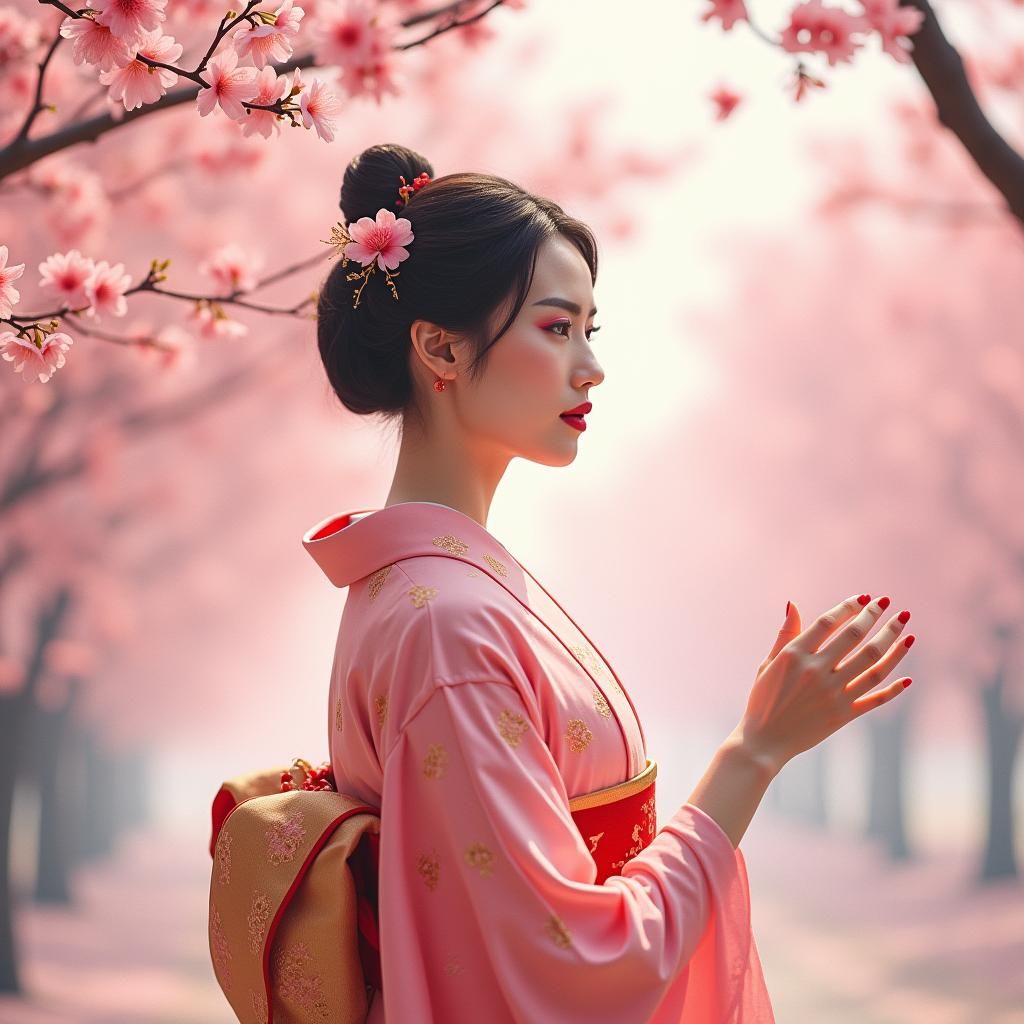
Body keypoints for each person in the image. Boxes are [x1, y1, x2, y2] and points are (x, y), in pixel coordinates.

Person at [302, 142, 917, 1023]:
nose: (589, 366)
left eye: (591, 329)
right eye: (555, 328)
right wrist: (755, 752)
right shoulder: (449, 625)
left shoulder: (425, 591)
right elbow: (567, 967)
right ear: (438, 347)